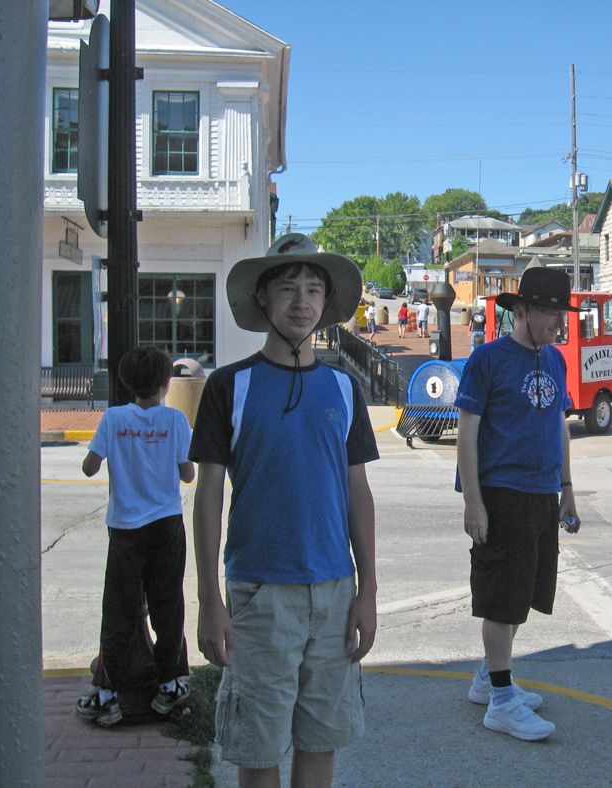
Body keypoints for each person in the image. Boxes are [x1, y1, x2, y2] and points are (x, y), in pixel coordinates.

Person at [190, 233, 379, 786]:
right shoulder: (231, 386)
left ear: (326, 303)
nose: (303, 301)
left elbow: (357, 494)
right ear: (264, 300)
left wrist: (366, 591)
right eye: (289, 288)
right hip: (259, 596)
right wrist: (209, 599)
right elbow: (208, 495)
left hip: (334, 592)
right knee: (259, 751)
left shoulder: (345, 387)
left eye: (315, 289)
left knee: (321, 743)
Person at [456, 267, 580, 743]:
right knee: (501, 600)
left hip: (542, 494)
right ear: (523, 310)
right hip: (501, 492)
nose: (558, 323)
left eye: (561, 313)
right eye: (551, 312)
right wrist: (474, 502)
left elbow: (559, 425)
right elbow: (467, 431)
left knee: (523, 595)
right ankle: (502, 703)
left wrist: (567, 486)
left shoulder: (555, 359)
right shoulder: (488, 359)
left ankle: (490, 678)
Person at [75, 346, 194, 728]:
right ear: (165, 384)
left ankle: (108, 692)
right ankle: (169, 683)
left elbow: (90, 467)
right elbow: (188, 474)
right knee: (167, 603)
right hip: (166, 525)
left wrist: (112, 452)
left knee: (120, 608)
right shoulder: (175, 421)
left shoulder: (113, 418)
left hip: (125, 528)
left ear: (126, 382)